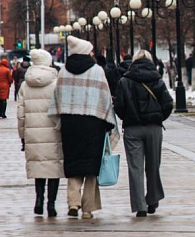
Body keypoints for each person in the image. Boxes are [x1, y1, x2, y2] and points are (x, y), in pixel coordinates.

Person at [48, 36, 120, 220]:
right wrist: (108, 122)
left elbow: (57, 97)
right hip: (92, 124)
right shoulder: (97, 71)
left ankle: (73, 202)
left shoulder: (64, 72)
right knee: (91, 166)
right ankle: (87, 208)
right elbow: (105, 97)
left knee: (73, 163)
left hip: (70, 124)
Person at [114, 50, 173, 217]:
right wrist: (159, 117)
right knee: (153, 165)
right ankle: (153, 200)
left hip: (132, 129)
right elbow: (168, 103)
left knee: (135, 168)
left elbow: (118, 105)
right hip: (154, 128)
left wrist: (127, 117)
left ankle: (140, 206)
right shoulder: (157, 79)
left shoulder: (125, 80)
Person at [17, 49, 64, 217]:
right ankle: (51, 204)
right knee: (53, 168)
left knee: (38, 168)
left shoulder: (24, 85)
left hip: (33, 133)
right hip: (53, 132)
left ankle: (38, 201)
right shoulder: (56, 83)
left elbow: (20, 114)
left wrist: (22, 136)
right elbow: (61, 109)